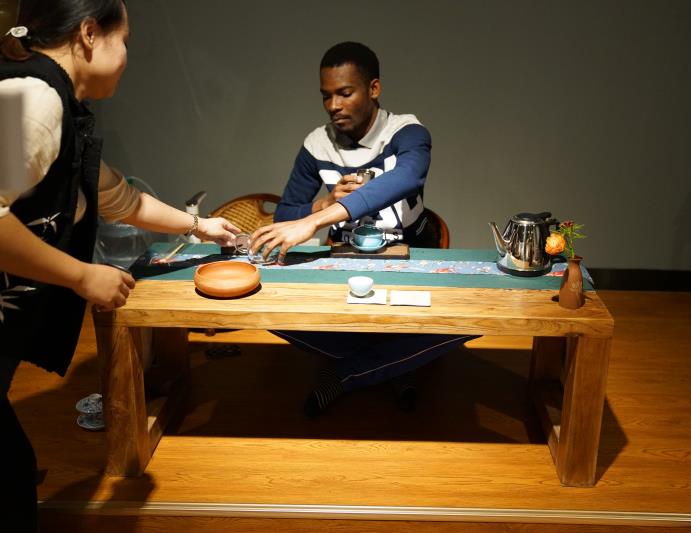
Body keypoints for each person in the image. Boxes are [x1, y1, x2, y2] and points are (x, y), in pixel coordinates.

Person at [0, 1, 239, 528]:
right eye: (124, 40)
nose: (128, 55)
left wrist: (199, 226)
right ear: (89, 33)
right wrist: (84, 275)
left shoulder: (56, 102)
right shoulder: (35, 98)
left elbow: (119, 199)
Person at [249, 42, 474, 418]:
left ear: (374, 89)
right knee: (263, 310)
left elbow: (407, 177)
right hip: (345, 262)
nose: (333, 105)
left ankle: (345, 373)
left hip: (408, 258)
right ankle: (395, 365)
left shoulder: (407, 131)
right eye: (326, 96)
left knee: (466, 322)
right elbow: (286, 213)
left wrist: (318, 220)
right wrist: (322, 203)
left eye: (344, 93)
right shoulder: (316, 144)